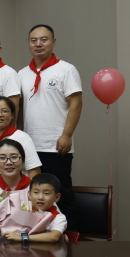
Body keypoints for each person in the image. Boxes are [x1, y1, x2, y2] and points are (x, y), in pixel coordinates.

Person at [18, 24, 82, 229]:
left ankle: (70, 238)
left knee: (60, 194)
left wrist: (67, 135)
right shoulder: (22, 74)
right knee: (32, 195)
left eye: (43, 40)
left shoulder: (66, 69)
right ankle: (38, 235)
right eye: (33, 40)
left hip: (55, 145)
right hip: (29, 146)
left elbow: (76, 103)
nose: (38, 44)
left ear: (53, 42)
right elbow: (19, 110)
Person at [0, 144, 67, 243]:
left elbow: (53, 218)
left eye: (14, 157)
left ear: (23, 160)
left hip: (33, 246)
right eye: (2, 158)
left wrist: (59, 234)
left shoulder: (38, 187)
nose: (8, 162)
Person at [0, 95, 41, 179]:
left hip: (18, 186)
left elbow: (34, 171)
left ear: (12, 115)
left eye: (4, 111)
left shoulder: (22, 137)